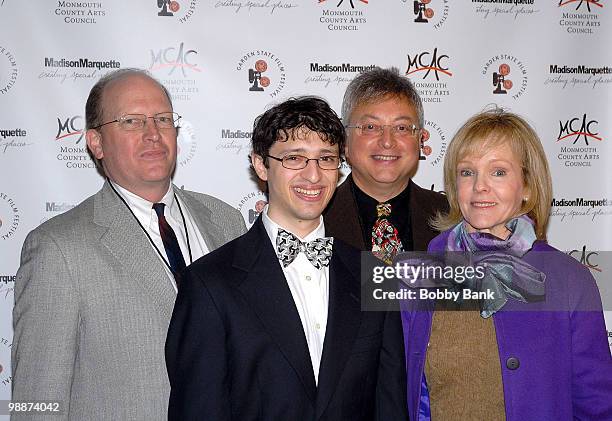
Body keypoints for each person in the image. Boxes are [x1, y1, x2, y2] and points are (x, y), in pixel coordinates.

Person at [11, 68, 246, 420]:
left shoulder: (228, 222)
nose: (153, 134)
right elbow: (37, 404)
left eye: (163, 119)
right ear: (96, 143)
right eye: (131, 122)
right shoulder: (57, 249)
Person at [165, 96, 408, 420]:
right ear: (261, 165)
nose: (313, 176)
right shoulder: (210, 284)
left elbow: (390, 403)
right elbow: (199, 409)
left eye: (326, 159)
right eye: (295, 158)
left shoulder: (374, 276)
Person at [399, 108, 612, 420]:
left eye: (498, 172)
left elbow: (596, 405)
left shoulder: (569, 280)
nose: (480, 186)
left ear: (526, 187)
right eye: (467, 172)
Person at [325, 67, 448, 261]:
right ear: (345, 141)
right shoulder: (316, 217)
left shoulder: (453, 218)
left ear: (421, 140)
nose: (387, 141)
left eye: (401, 128)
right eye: (371, 127)